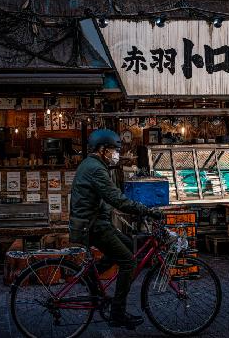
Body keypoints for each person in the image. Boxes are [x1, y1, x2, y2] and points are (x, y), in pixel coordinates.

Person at [69, 129, 162, 330]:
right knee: (129, 261)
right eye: (113, 149)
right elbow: (116, 198)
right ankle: (117, 314)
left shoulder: (92, 164)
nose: (116, 154)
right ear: (102, 150)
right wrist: (145, 210)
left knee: (128, 245)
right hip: (92, 226)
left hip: (92, 223)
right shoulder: (96, 169)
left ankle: (90, 279)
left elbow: (109, 198)